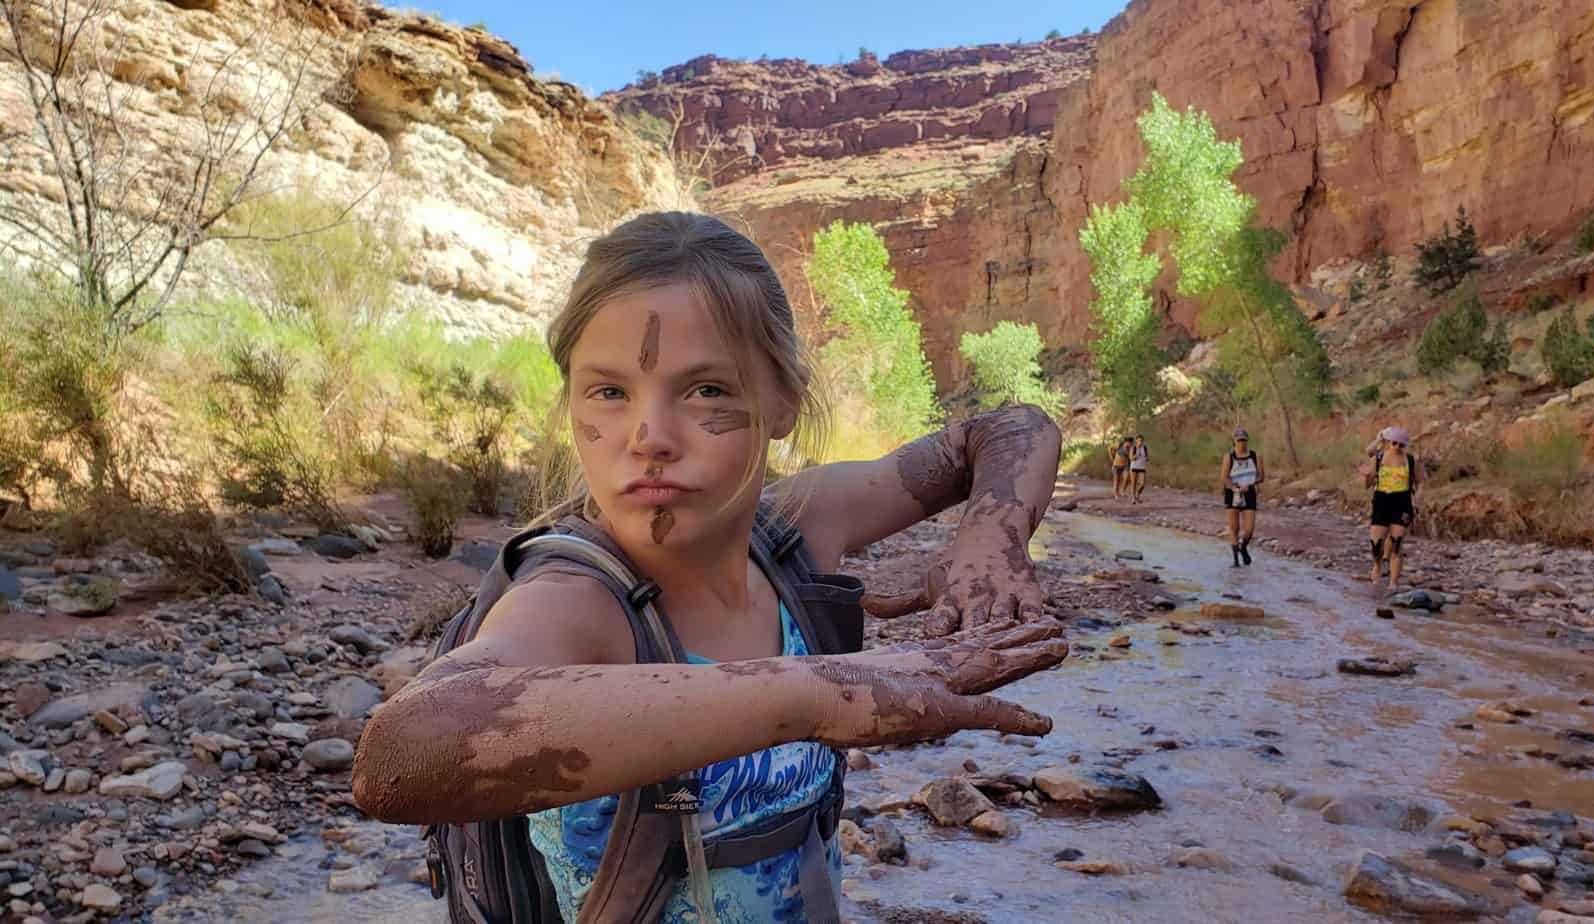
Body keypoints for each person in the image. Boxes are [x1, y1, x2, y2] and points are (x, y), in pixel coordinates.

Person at [350, 212, 1068, 924]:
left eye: (707, 391)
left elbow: (1013, 428)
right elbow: (397, 757)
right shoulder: (578, 601)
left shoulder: (794, 530)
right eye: (608, 392)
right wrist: (822, 695)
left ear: (783, 398)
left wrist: (993, 537)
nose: (649, 437)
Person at [1359, 425, 1421, 589]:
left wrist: (1417, 500)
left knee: (1396, 544)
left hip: (1402, 503)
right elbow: (1368, 484)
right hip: (1381, 501)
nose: (1397, 447)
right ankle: (1378, 565)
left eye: (1401, 444)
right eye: (1394, 443)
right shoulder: (1378, 458)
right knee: (1376, 544)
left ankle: (1393, 582)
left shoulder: (1411, 460)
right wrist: (1366, 476)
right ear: (1388, 442)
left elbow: (1421, 482)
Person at [1220, 428, 1264, 567]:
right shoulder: (1229, 457)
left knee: (1249, 529)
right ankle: (1235, 561)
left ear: (1247, 440)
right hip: (1233, 492)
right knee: (1234, 528)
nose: (1241, 443)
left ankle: (1243, 546)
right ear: (1234, 441)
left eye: (1243, 440)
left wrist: (1251, 484)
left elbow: (1261, 476)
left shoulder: (1256, 456)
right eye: (1239, 440)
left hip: (1249, 492)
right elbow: (1224, 477)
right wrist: (1234, 488)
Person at [1128, 433, 1149, 504]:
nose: (1140, 442)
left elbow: (1147, 457)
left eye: (1141, 440)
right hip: (1134, 466)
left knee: (1142, 484)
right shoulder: (1133, 448)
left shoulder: (1145, 448)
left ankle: (1137, 494)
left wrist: (1146, 458)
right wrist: (1136, 455)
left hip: (1142, 467)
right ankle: (1133, 498)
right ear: (1136, 441)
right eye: (1139, 440)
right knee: (1133, 483)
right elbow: (1130, 458)